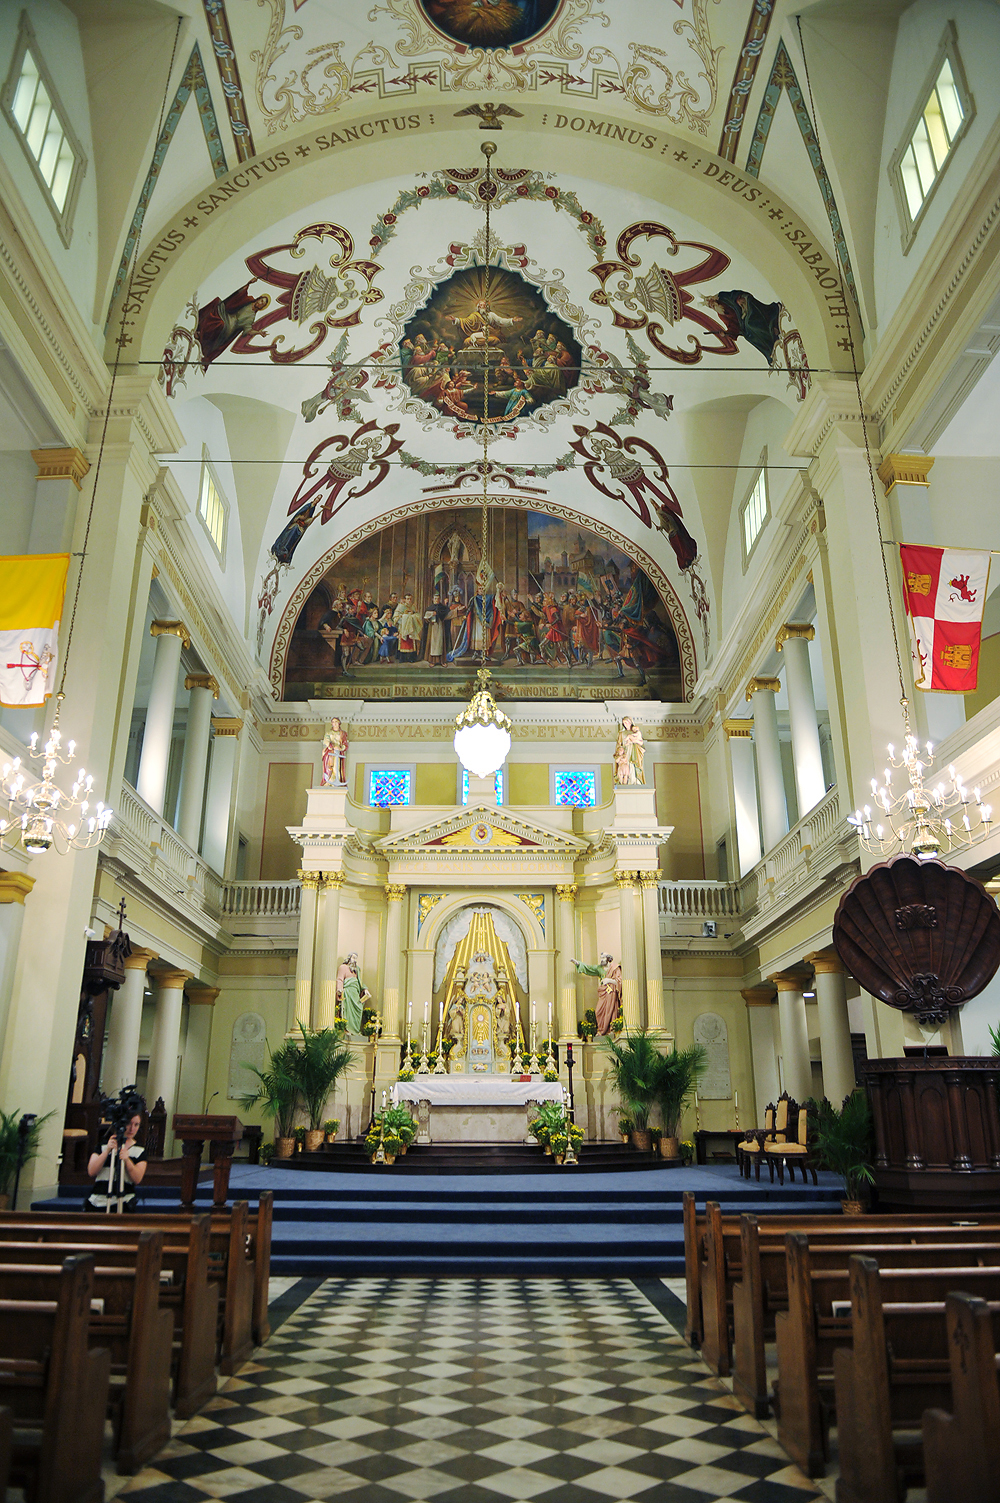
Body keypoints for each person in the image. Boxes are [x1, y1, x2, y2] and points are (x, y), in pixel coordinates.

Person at [86, 1110, 147, 1211]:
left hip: (124, 1201)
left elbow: (137, 1178)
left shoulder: (140, 1150)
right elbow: (92, 1171)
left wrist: (127, 1160)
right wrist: (107, 1151)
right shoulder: (103, 1145)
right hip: (98, 1201)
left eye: (136, 1125)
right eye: (129, 1123)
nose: (132, 1129)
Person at [571, 954, 623, 1036]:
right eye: (601, 958)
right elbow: (589, 968)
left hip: (612, 993)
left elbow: (619, 981)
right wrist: (578, 964)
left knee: (611, 1010)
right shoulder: (599, 968)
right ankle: (601, 1030)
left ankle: (612, 1029)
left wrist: (609, 980)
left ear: (608, 959)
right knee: (598, 1011)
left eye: (603, 958)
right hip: (603, 993)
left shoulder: (615, 968)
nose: (601, 960)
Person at [337, 953, 370, 1033]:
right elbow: (340, 979)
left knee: (359, 1008)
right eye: (353, 958)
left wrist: (365, 989)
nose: (354, 960)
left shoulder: (357, 970)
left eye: (356, 958)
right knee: (347, 1011)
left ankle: (355, 1030)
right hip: (348, 993)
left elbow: (360, 982)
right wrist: (339, 989)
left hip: (355, 994)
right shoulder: (343, 967)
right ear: (349, 958)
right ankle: (347, 1029)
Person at [614, 716, 646, 785]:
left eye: (626, 722)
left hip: (633, 751)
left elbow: (641, 743)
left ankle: (634, 780)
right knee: (626, 764)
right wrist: (620, 751)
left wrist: (633, 741)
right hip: (625, 751)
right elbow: (619, 745)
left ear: (630, 723)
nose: (625, 724)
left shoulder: (636, 733)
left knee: (632, 765)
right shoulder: (621, 733)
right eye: (624, 723)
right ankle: (625, 781)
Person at [320, 716, 348, 786]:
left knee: (337, 767)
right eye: (333, 722)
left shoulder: (342, 733)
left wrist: (340, 748)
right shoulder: (329, 733)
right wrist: (331, 746)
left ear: (339, 723)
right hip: (330, 752)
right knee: (329, 766)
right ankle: (329, 780)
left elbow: (345, 744)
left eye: (336, 722)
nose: (334, 724)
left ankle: (336, 779)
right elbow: (326, 741)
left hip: (338, 752)